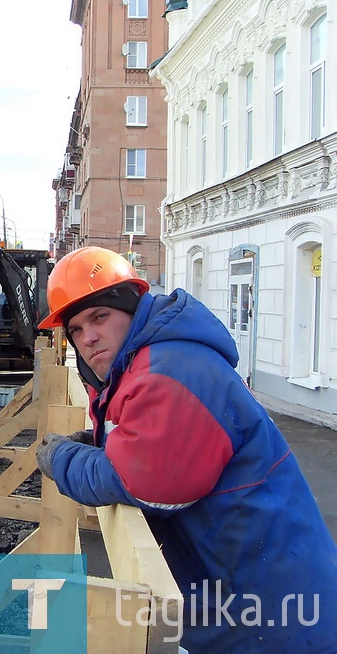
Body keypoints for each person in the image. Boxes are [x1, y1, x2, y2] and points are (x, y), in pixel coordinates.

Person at [35, 246, 337, 652]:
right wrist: (106, 444)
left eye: (100, 317)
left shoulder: (169, 369)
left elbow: (142, 482)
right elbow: (151, 449)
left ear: (131, 308)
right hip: (251, 589)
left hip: (273, 609)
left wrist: (63, 459)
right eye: (75, 329)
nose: (88, 337)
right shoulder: (152, 359)